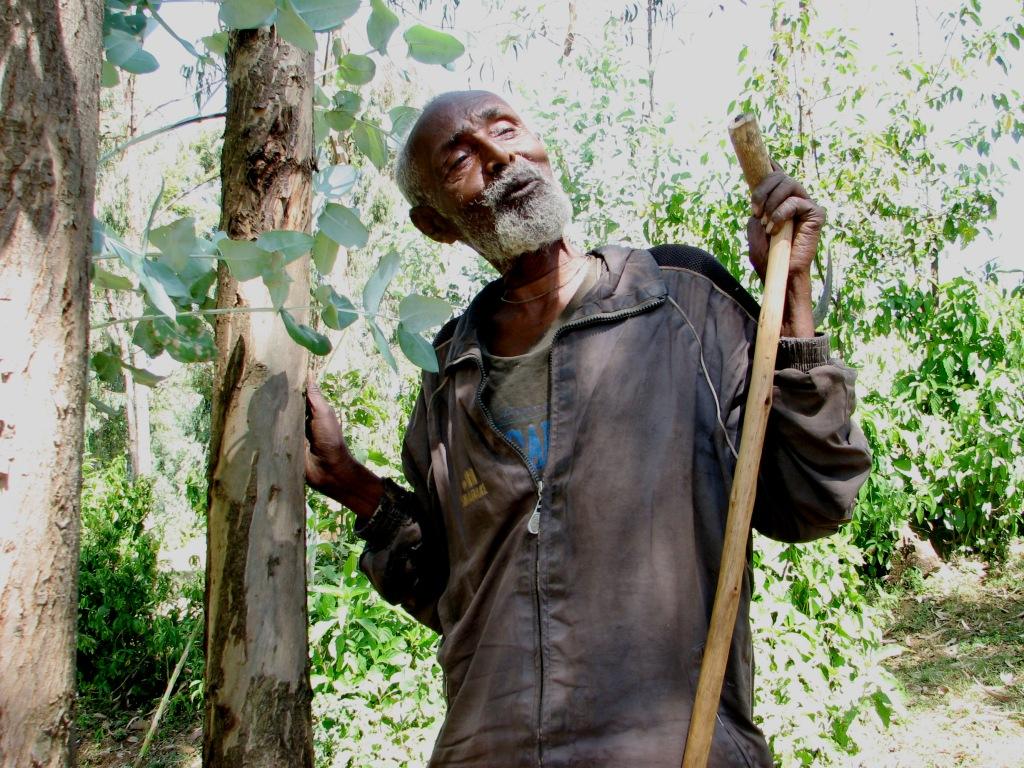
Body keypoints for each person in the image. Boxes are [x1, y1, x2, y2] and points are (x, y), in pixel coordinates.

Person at [305, 90, 871, 768]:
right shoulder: (448, 373)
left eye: (507, 129)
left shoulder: (684, 301)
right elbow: (458, 591)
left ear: (543, 147)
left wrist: (795, 293)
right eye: (461, 157)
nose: (498, 156)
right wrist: (349, 481)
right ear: (436, 224)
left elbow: (812, 500)